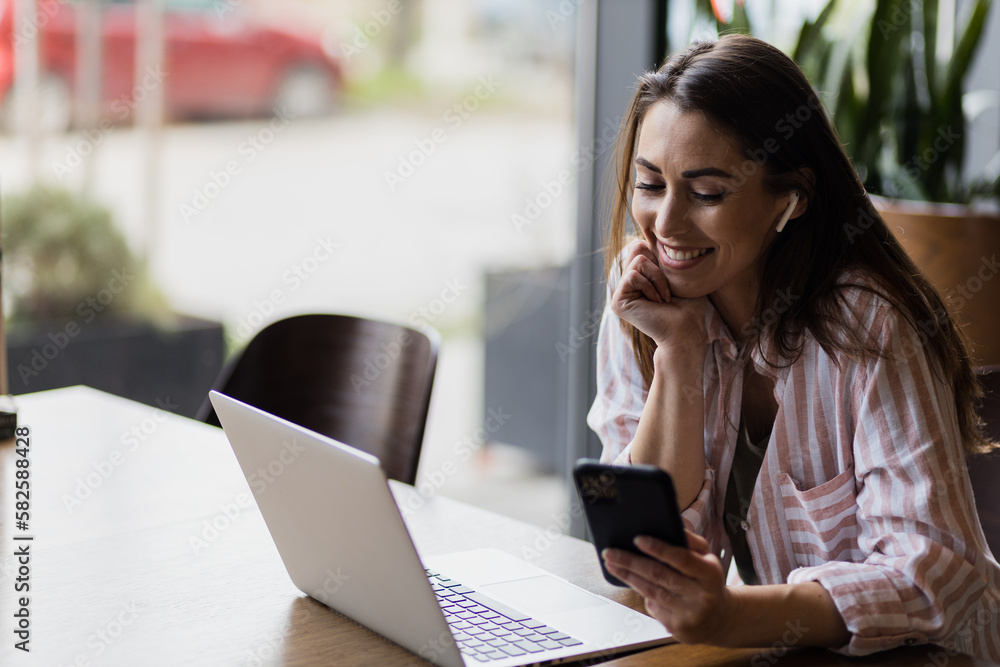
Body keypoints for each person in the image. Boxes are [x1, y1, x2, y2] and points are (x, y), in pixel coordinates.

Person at [586, 33, 1000, 660]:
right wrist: (678, 355)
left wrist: (730, 614)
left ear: (791, 198)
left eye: (707, 193)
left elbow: (934, 574)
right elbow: (648, 557)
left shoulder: (870, 328)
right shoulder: (645, 300)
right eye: (650, 185)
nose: (666, 225)